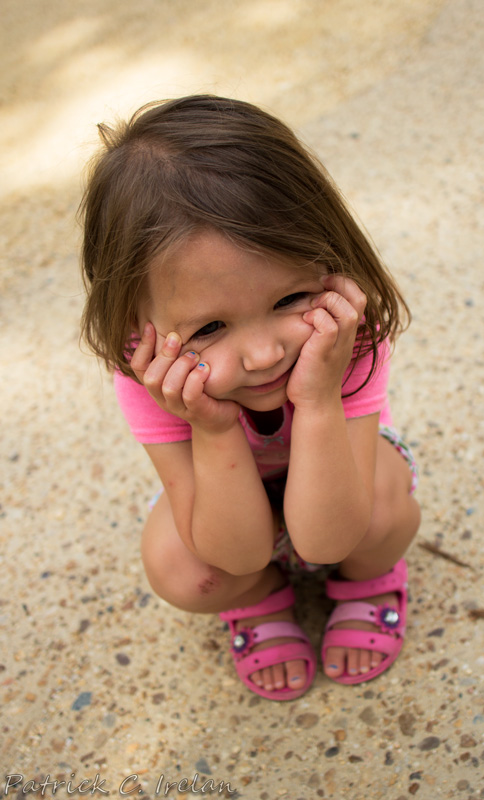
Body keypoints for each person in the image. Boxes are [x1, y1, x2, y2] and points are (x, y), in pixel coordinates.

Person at [80, 95, 421, 701]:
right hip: (230, 503)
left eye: (288, 299)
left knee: (385, 507)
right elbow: (234, 553)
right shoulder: (153, 377)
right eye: (209, 328)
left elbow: (326, 540)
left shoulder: (343, 335)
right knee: (179, 568)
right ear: (139, 319)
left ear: (326, 256)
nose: (264, 355)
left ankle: (369, 583)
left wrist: (318, 400)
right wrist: (211, 429)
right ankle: (264, 599)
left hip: (343, 487)